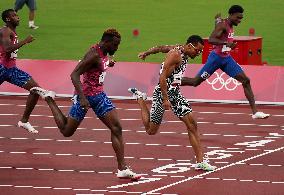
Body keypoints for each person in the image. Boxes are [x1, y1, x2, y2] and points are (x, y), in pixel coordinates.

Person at [31, 28, 141, 180]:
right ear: (107, 42)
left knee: (117, 127)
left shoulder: (102, 53)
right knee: (66, 131)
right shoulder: (93, 54)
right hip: (85, 97)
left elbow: (99, 65)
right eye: (115, 45)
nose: (117, 48)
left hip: (100, 96)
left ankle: (122, 168)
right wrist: (82, 97)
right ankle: (49, 99)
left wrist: (108, 63)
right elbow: (74, 74)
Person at [138, 5, 270, 120]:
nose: (240, 20)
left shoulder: (226, 23)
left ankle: (255, 112)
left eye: (241, 18)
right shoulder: (223, 25)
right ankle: (172, 82)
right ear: (231, 15)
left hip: (226, 59)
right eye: (238, 18)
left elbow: (219, 28)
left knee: (246, 80)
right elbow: (212, 39)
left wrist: (218, 22)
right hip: (216, 59)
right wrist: (226, 42)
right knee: (195, 82)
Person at [128, 35, 216, 171]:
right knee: (151, 130)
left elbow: (161, 48)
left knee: (192, 124)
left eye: (200, 52)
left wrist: (146, 52)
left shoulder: (179, 48)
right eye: (197, 51)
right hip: (162, 93)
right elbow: (162, 77)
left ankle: (200, 161)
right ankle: (140, 99)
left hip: (175, 94)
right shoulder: (176, 55)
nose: (198, 54)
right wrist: (165, 99)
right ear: (189, 46)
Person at [0, 9, 48, 133]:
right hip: (1, 68)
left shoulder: (12, 31)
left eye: (17, 15)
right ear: (8, 19)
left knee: (36, 90)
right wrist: (25, 41)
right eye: (14, 16)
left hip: (11, 70)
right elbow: (7, 49)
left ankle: (24, 121)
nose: (18, 17)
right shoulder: (5, 31)